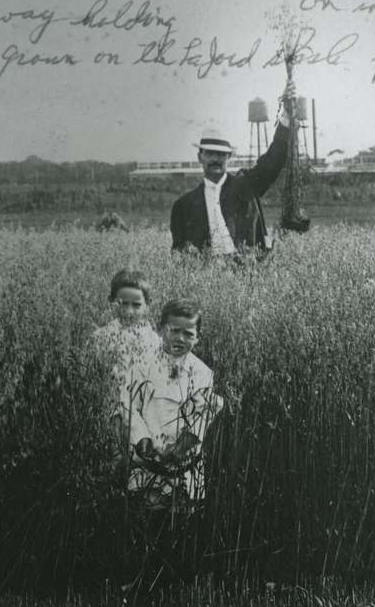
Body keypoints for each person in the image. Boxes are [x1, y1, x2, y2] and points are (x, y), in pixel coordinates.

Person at [112, 299, 223, 510]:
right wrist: (142, 439)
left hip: (182, 463)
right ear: (161, 329)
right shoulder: (142, 365)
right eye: (174, 330)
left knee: (180, 515)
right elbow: (127, 404)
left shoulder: (201, 373)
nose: (180, 338)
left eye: (188, 334)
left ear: (198, 337)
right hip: (146, 458)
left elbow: (203, 415)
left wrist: (181, 448)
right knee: (145, 511)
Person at [169, 78, 297, 258]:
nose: (215, 159)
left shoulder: (246, 186)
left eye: (221, 154)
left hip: (248, 271)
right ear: (200, 157)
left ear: (229, 157)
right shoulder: (183, 206)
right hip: (207, 274)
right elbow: (178, 253)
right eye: (210, 153)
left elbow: (273, 161)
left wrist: (286, 116)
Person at [89, 269, 159, 372]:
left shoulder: (153, 339)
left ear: (147, 304)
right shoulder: (100, 337)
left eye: (136, 305)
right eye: (123, 303)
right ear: (111, 301)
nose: (129, 311)